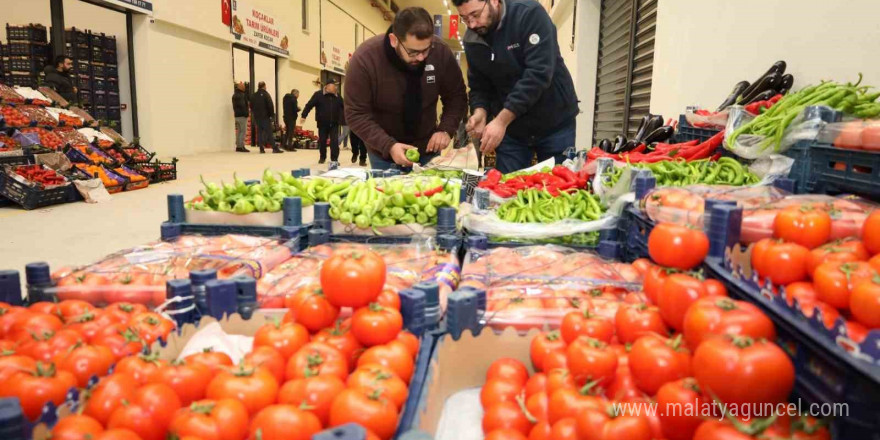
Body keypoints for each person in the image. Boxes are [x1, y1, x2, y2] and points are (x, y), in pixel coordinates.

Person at [453, 0, 579, 173]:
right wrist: (480, 112)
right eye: (464, 18)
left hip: (554, 122)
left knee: (558, 187)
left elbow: (538, 74)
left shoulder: (529, 15)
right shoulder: (472, 40)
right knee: (506, 188)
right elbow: (479, 85)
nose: (472, 24)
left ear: (495, 2)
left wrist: (501, 120)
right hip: (513, 132)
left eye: (475, 15)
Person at [344, 7, 467, 171]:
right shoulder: (366, 59)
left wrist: (445, 129)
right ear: (394, 40)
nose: (422, 57)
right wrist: (388, 145)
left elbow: (456, 97)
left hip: (428, 149)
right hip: (384, 153)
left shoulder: (440, 52)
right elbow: (355, 113)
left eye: (426, 49)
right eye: (413, 52)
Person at [301, 80, 344, 165]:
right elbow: (309, 105)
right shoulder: (318, 95)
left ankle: (334, 159)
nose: (335, 88)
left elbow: (344, 107)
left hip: (334, 123)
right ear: (327, 87)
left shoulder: (338, 96)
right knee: (322, 141)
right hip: (322, 123)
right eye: (333, 86)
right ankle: (322, 157)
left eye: (335, 87)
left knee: (334, 141)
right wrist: (303, 115)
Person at [251, 81, 283, 154]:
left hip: (257, 117)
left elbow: (251, 106)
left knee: (259, 132)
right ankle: (274, 148)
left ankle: (261, 148)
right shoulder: (266, 94)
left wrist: (255, 113)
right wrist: (272, 115)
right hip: (265, 117)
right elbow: (270, 105)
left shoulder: (254, 95)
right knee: (269, 132)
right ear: (264, 86)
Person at [232, 82, 250, 152]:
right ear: (240, 87)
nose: (244, 87)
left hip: (237, 115)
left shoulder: (234, 95)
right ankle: (241, 146)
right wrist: (246, 113)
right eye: (243, 86)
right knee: (243, 131)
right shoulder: (242, 95)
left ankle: (238, 146)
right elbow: (243, 105)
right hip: (242, 115)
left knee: (239, 131)